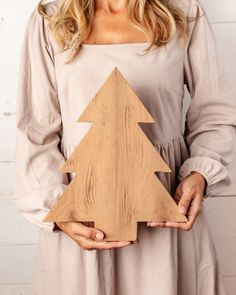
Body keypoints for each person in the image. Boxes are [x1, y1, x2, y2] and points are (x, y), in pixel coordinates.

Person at [12, 0, 236, 294]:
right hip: (82, 220)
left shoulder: (183, 12)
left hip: (164, 216)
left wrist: (200, 174)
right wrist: (60, 211)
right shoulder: (50, 20)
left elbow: (215, 112)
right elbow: (35, 131)